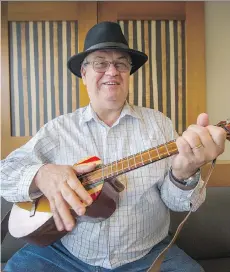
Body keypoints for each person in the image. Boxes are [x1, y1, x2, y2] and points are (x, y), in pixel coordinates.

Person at [1, 21, 226, 272]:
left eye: (121, 63)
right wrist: (41, 175)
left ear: (128, 74)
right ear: (84, 74)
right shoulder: (58, 130)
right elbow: (4, 174)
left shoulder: (159, 125)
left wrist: (184, 174)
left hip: (147, 254)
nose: (112, 71)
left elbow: (179, 203)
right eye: (100, 63)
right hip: (65, 255)